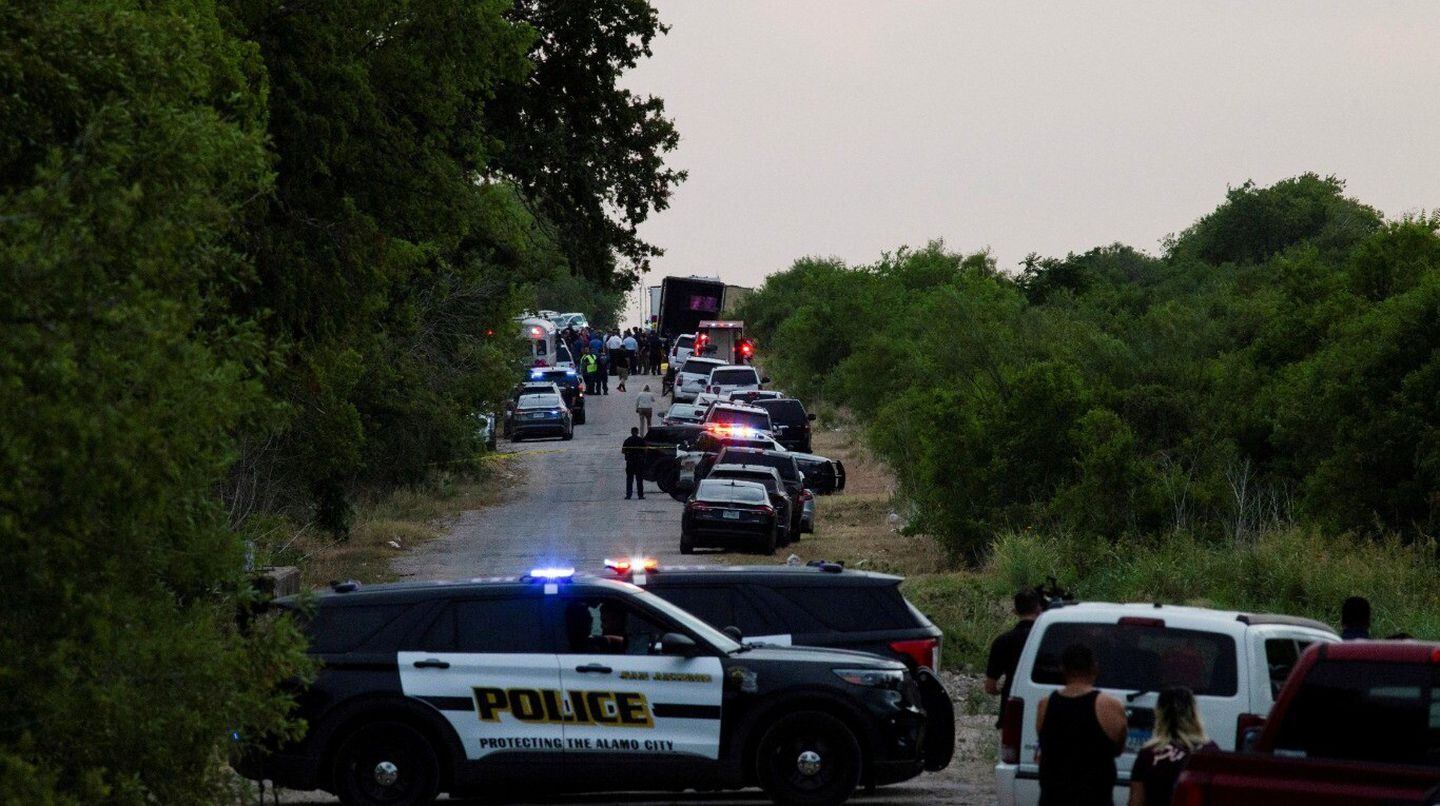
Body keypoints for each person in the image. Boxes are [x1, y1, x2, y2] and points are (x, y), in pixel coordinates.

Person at [1036, 643, 1127, 806]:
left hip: (1054, 797)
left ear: (1062, 669)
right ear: (1095, 668)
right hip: (1095, 797)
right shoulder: (1110, 705)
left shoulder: (1045, 705)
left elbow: (1044, 744)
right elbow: (1118, 748)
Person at [1128, 687, 1217, 806]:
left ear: (1159, 714)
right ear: (1194, 713)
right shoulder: (1210, 752)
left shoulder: (1148, 754)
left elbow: (1136, 802)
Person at [985, 588, 1043, 726]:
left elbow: (990, 687)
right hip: (1044, 708)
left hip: (1012, 709)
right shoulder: (1049, 639)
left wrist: (1001, 690)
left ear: (1015, 611)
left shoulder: (1002, 641)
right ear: (1039, 609)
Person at [622, 427, 647, 499]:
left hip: (630, 462)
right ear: (637, 432)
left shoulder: (627, 440)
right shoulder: (641, 440)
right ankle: (640, 495)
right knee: (639, 479)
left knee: (629, 479)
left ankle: (628, 495)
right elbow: (645, 450)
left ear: (631, 432)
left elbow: (623, 451)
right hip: (639, 462)